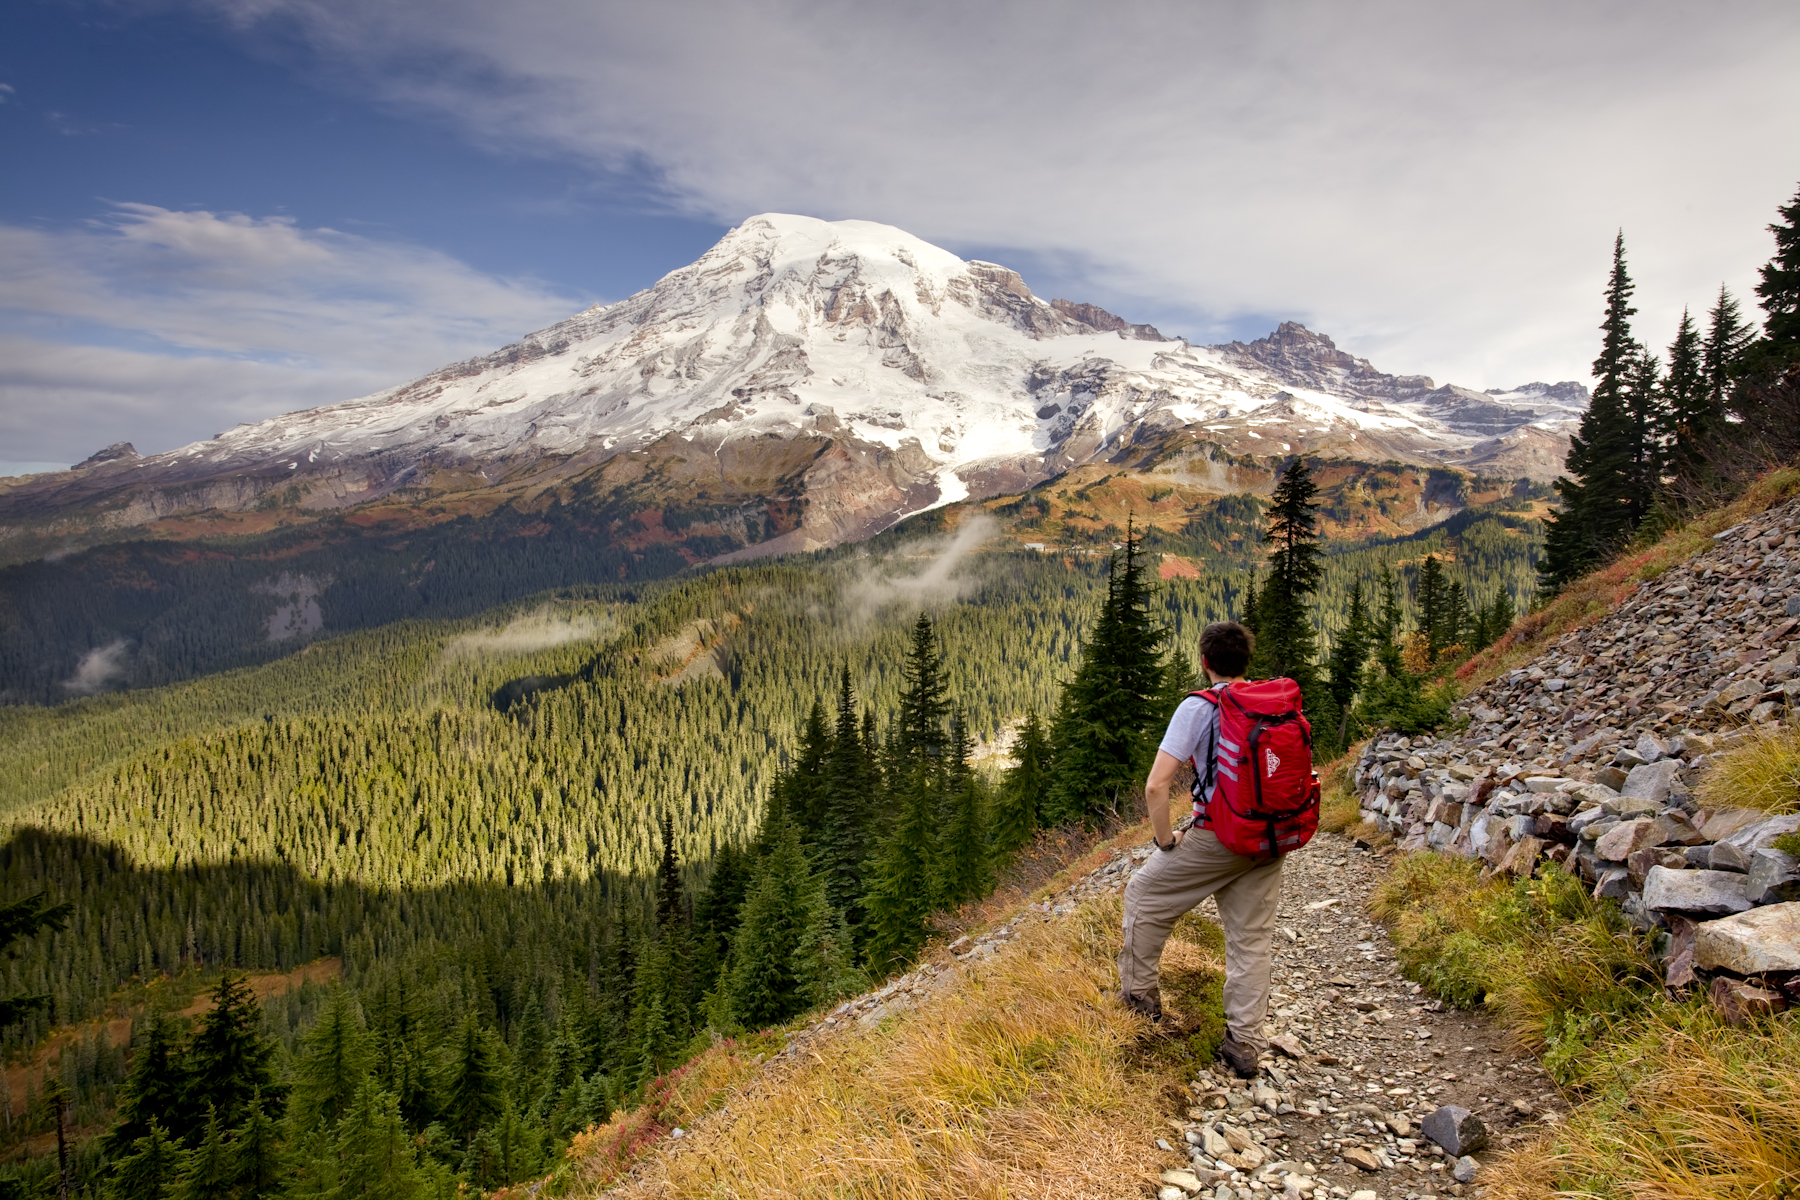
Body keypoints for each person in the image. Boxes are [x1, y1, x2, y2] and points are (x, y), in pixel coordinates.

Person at [1118, 620, 1282, 1079]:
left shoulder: (1201, 706)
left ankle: (1140, 1000)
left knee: (1144, 896)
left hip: (1220, 833)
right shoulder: (1268, 702)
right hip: (1269, 837)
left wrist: (1166, 841)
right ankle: (1245, 1044)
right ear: (1245, 661)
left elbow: (1157, 786)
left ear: (1205, 661)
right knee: (1251, 939)